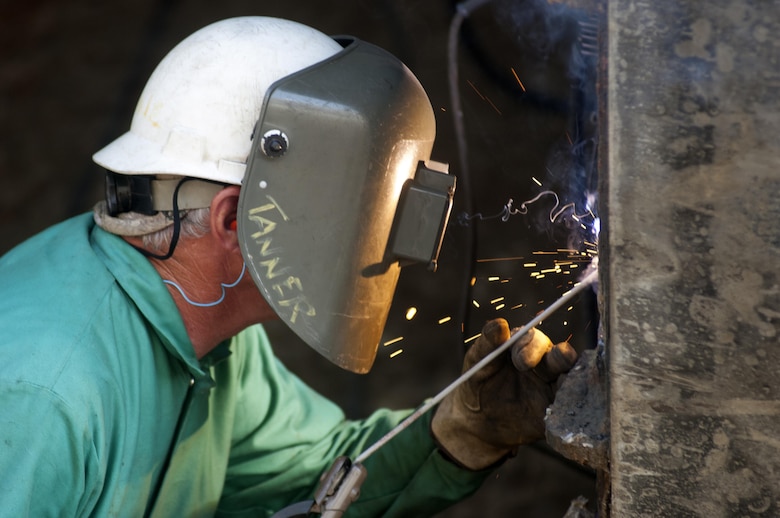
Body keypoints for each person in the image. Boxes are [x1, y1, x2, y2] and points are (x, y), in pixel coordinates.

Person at [0, 16, 575, 517]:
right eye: (347, 211)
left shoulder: (210, 327)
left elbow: (314, 475)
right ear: (234, 223)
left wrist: (457, 434)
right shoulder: (41, 402)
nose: (372, 239)